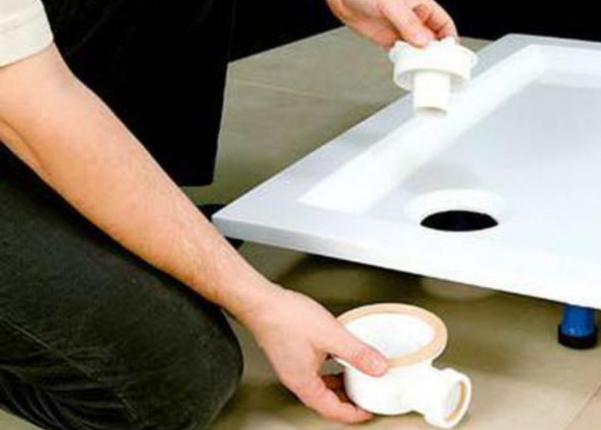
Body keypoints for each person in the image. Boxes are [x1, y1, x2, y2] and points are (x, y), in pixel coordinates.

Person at [0, 0, 459, 429]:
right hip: (22, 95)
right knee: (173, 377)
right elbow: (34, 104)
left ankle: (101, 202)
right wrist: (258, 300)